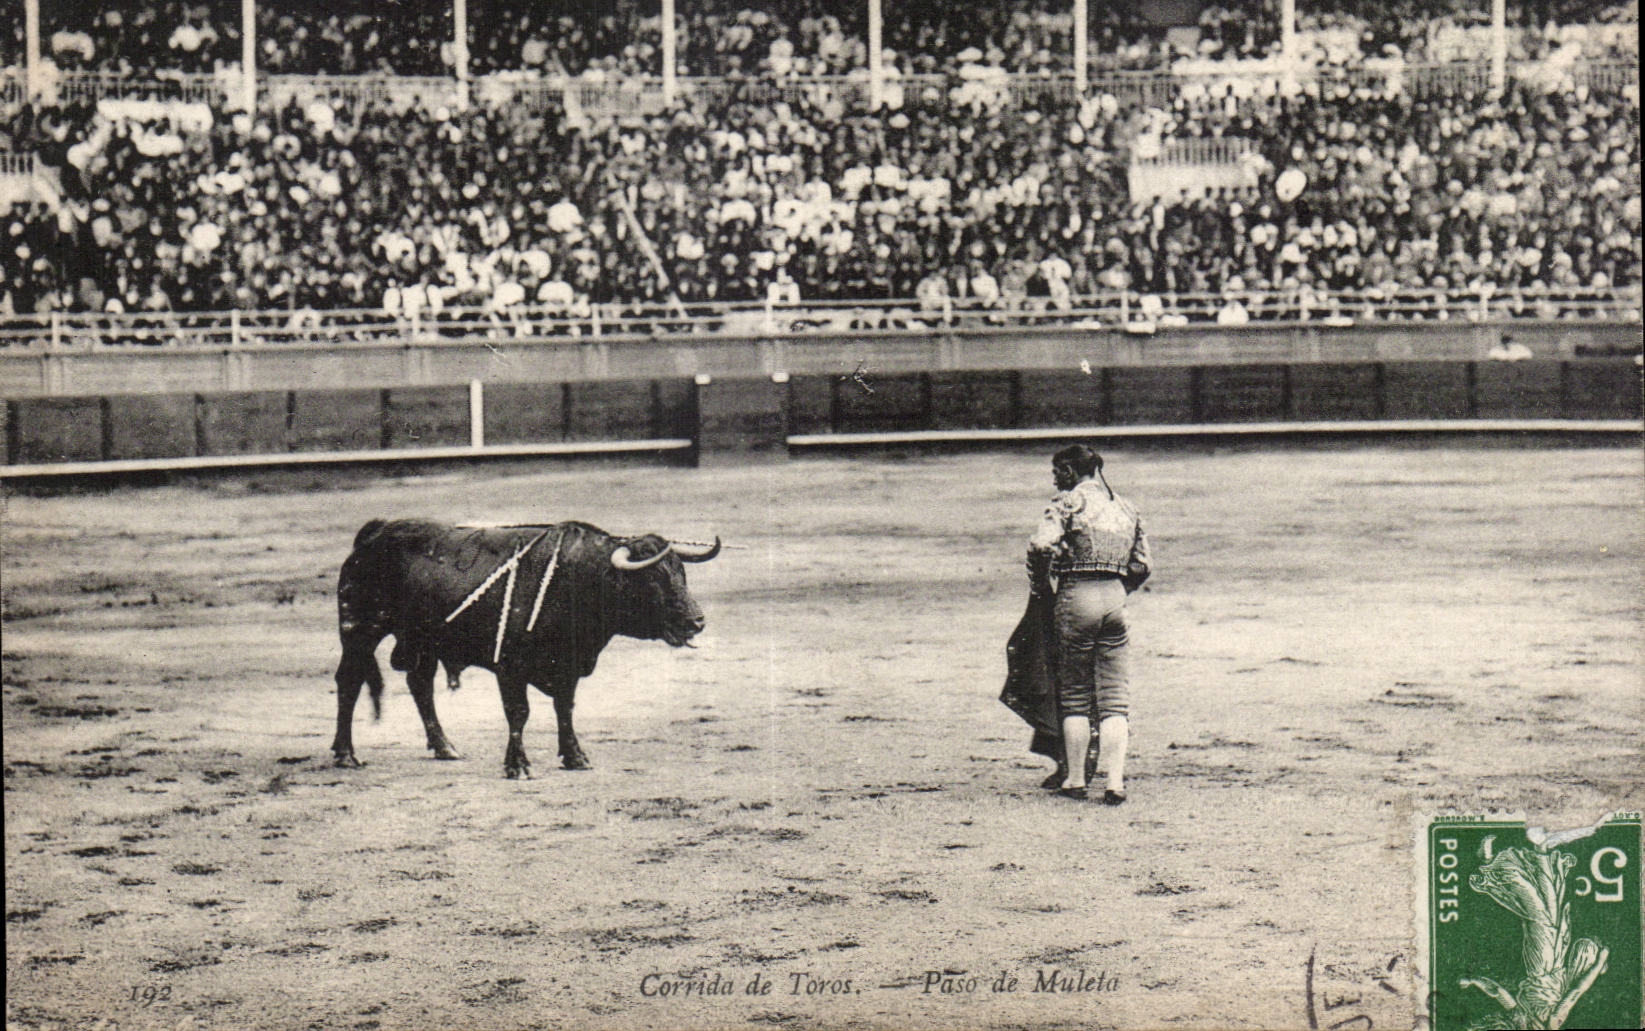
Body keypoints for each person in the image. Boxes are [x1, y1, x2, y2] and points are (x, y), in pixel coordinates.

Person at [1025, 445, 1152, 803]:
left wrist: (1042, 585)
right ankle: (1114, 783)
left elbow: (1040, 545)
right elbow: (1143, 565)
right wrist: (1118, 588)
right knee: (1114, 697)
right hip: (1115, 600)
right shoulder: (1126, 507)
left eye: (1056, 471)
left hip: (1076, 598)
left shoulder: (1066, 504)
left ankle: (1076, 780)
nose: (1054, 478)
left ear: (1068, 471)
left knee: (1076, 694)